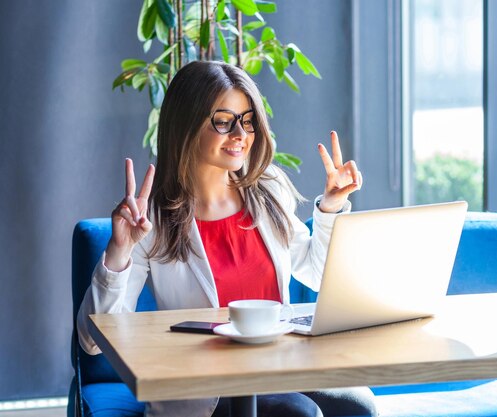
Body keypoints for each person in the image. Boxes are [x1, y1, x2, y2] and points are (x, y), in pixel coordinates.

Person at [77, 60, 378, 417]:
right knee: (297, 413)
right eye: (223, 121)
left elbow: (315, 274)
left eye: (247, 120)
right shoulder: (154, 218)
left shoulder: (268, 190)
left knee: (358, 405)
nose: (241, 135)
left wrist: (330, 207)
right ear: (186, 125)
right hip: (207, 386)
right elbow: (93, 340)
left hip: (277, 366)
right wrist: (120, 250)